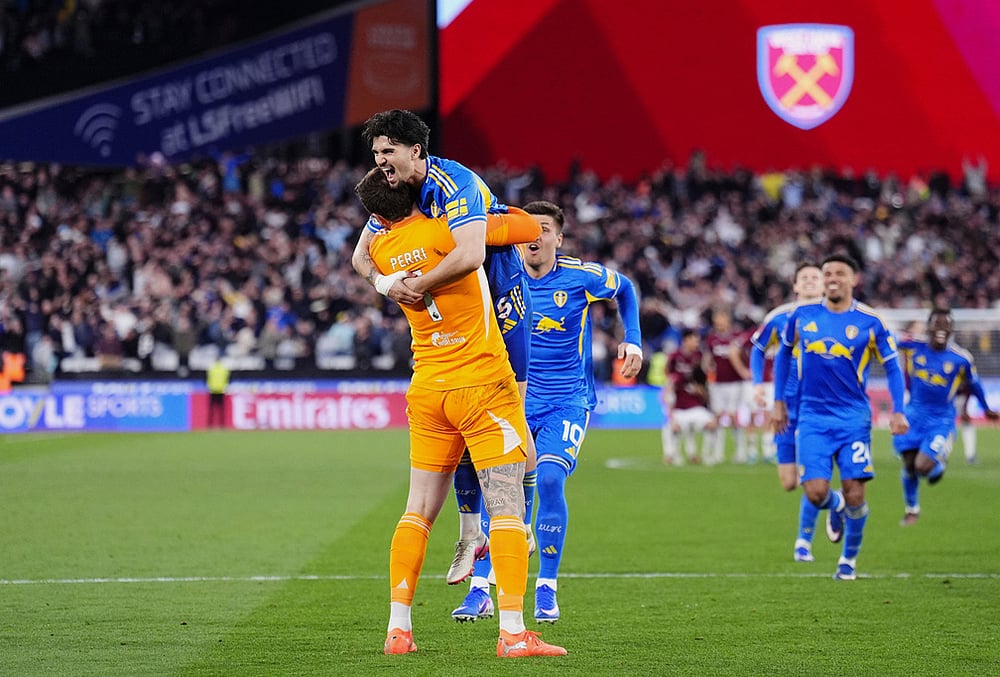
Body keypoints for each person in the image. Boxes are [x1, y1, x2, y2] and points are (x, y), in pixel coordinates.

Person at [354, 168, 565, 658]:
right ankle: (513, 632)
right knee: (509, 505)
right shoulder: (450, 229)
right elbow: (529, 228)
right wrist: (489, 206)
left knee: (417, 511)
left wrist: (386, 284)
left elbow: (359, 255)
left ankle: (398, 629)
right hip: (483, 383)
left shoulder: (384, 251)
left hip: (427, 386)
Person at [349, 110, 540, 594]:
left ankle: (522, 525)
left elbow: (474, 253)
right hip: (455, 313)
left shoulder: (457, 183)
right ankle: (470, 533)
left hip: (501, 301)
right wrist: (386, 284)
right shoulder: (396, 195)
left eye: (387, 151)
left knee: (516, 438)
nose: (381, 162)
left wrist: (415, 286)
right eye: (375, 154)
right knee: (456, 433)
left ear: (416, 149)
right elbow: (359, 256)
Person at [497, 200, 641, 623]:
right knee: (501, 488)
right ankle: (484, 586)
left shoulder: (580, 276)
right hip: (514, 398)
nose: (535, 236)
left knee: (550, 477)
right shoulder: (501, 276)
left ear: (558, 239)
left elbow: (626, 288)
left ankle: (546, 585)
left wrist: (631, 339)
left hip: (567, 400)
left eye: (544, 229)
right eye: (528, 228)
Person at [771, 253, 909, 581]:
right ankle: (835, 506)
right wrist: (778, 401)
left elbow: (892, 366)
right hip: (812, 418)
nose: (832, 278)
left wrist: (899, 409)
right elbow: (783, 354)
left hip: (853, 420)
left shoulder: (870, 321)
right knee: (816, 492)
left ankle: (848, 560)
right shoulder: (801, 315)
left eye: (839, 273)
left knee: (856, 493)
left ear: (853, 279)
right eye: (827, 273)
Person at [893, 307, 998, 525]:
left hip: (940, 420)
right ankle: (912, 509)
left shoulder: (961, 359)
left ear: (952, 330)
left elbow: (975, 384)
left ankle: (938, 464)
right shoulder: (912, 347)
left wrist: (986, 408)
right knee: (909, 465)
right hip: (912, 415)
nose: (941, 328)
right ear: (928, 327)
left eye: (946, 324)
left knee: (923, 467)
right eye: (937, 324)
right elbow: (885, 339)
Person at [749, 261, 823, 562]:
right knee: (789, 482)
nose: (808, 281)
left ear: (824, 283)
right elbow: (757, 348)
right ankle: (837, 502)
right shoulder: (779, 316)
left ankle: (803, 542)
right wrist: (758, 383)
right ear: (794, 286)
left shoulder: (833, 316)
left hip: (818, 407)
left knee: (811, 478)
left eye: (814, 277)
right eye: (803, 277)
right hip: (785, 408)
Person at [704, 306, 753, 464]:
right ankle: (717, 453)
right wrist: (707, 369)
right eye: (716, 319)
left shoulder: (737, 337)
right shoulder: (712, 338)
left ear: (728, 319)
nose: (719, 322)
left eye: (721, 318)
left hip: (735, 383)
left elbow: (745, 355)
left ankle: (741, 451)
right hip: (718, 384)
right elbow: (708, 358)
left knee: (733, 416)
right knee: (718, 417)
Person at [661, 328, 716, 465]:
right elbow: (668, 385)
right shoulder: (675, 357)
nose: (697, 343)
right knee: (671, 427)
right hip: (679, 407)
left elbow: (705, 386)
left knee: (712, 424)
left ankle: (705, 455)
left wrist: (701, 391)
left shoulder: (699, 357)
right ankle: (671, 454)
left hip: (695, 406)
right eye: (694, 340)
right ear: (685, 340)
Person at [206, 356, 230, 428]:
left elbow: (208, 379)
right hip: (221, 390)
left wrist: (210, 387)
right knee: (221, 409)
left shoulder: (211, 369)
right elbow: (226, 380)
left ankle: (210, 425)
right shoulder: (224, 370)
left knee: (211, 409)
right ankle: (222, 424)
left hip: (212, 390)